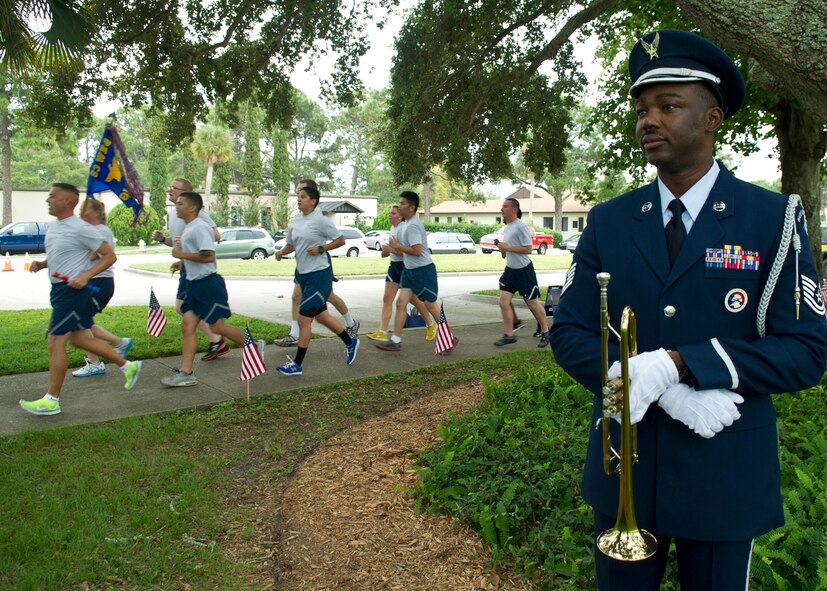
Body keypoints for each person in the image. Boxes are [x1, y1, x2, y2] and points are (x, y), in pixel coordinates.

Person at [548, 30, 827, 590]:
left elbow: (807, 351)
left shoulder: (770, 218)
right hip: (627, 469)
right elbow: (571, 331)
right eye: (643, 107)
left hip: (722, 470)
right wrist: (652, 386)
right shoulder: (609, 220)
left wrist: (680, 365)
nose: (649, 120)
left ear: (713, 118)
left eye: (669, 105)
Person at [19, 184, 142, 415]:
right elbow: (61, 253)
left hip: (73, 293)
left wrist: (85, 276)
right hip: (58, 290)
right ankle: (128, 365)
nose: (48, 200)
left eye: (53, 197)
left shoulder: (81, 228)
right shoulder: (55, 226)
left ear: (68, 201)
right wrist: (43, 264)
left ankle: (51, 400)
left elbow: (109, 256)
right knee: (79, 340)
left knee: (55, 342)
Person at [160, 191, 260, 386]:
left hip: (208, 285)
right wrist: (182, 263)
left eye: (180, 203)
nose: (176, 206)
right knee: (187, 326)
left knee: (217, 327)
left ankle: (253, 348)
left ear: (192, 207)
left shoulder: (200, 228)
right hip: (194, 285)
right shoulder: (190, 228)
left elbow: (208, 256)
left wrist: (181, 255)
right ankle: (186, 374)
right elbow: (197, 255)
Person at [274, 185, 359, 375]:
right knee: (322, 316)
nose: (299, 199)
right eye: (298, 196)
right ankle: (350, 341)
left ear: (313, 201)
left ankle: (297, 364)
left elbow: (340, 240)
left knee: (305, 320)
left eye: (303, 196)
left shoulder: (320, 220)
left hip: (319, 274)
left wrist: (321, 249)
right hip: (303, 274)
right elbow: (291, 244)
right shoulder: (296, 221)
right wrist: (281, 252)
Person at [151, 178, 229, 361]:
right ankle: (212, 345)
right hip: (189, 269)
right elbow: (177, 243)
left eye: (174, 188)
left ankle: (220, 340)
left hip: (201, 273)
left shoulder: (198, 216)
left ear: (184, 192)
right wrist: (163, 239)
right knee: (185, 314)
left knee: (192, 314)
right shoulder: (175, 215)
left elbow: (214, 237)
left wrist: (185, 254)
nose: (169, 190)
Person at [375, 191, 454, 353]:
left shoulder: (412, 226)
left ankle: (450, 337)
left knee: (431, 306)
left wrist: (396, 246)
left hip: (422, 271)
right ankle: (396, 340)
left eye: (403, 203)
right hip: (409, 271)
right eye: (400, 202)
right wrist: (395, 247)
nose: (400, 206)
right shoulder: (406, 224)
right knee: (401, 303)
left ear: (412, 207)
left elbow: (417, 251)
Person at [71, 198, 135, 377]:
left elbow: (93, 255)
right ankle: (112, 348)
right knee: (82, 322)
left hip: (99, 283)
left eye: (86, 210)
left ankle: (104, 356)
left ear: (97, 213)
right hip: (91, 282)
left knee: (79, 322)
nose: (82, 213)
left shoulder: (101, 230)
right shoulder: (91, 231)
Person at [366, 205, 430, 341]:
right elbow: (387, 253)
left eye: (393, 213)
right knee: (386, 299)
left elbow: (407, 252)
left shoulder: (404, 229)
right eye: (390, 213)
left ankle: (431, 324)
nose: (389, 215)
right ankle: (382, 332)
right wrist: (385, 250)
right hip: (393, 266)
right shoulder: (393, 229)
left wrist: (392, 249)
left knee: (413, 299)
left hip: (404, 267)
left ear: (401, 217)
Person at [493, 198, 549, 347]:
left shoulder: (521, 227)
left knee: (533, 304)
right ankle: (509, 334)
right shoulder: (508, 227)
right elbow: (509, 250)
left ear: (514, 209)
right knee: (503, 302)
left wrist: (509, 248)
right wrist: (503, 250)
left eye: (505, 207)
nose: (501, 209)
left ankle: (545, 332)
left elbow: (528, 249)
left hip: (524, 271)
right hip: (510, 271)